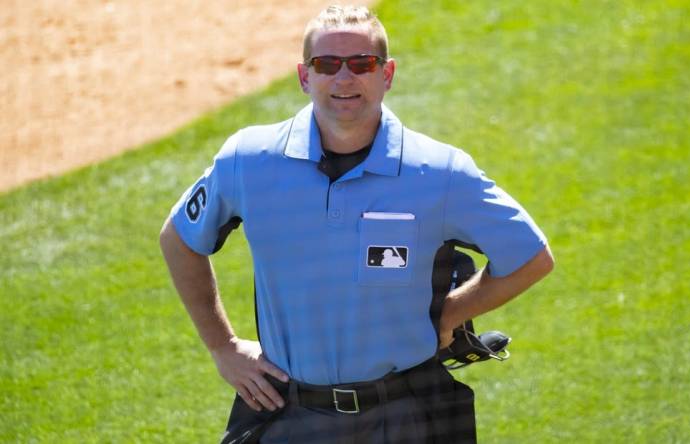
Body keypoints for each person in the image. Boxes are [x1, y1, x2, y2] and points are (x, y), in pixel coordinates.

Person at [159, 5, 554, 443]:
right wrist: (223, 347)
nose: (343, 79)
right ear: (304, 76)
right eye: (326, 64)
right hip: (290, 416)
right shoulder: (248, 161)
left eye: (361, 64)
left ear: (386, 74)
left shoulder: (440, 172)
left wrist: (451, 314)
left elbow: (531, 257)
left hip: (406, 418)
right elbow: (179, 239)